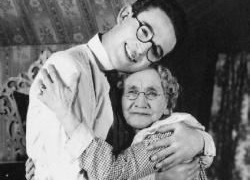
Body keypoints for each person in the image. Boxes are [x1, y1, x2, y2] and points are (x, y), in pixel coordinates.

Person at [26, 0, 214, 180]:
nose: (141, 49)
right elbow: (66, 172)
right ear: (124, 15)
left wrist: (201, 141)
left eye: (155, 51)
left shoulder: (130, 91)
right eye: (144, 31)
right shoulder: (70, 67)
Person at [35, 64, 215, 180]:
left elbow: (111, 174)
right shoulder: (129, 136)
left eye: (152, 93)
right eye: (132, 92)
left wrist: (64, 113)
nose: (140, 102)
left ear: (168, 106)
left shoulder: (169, 134)